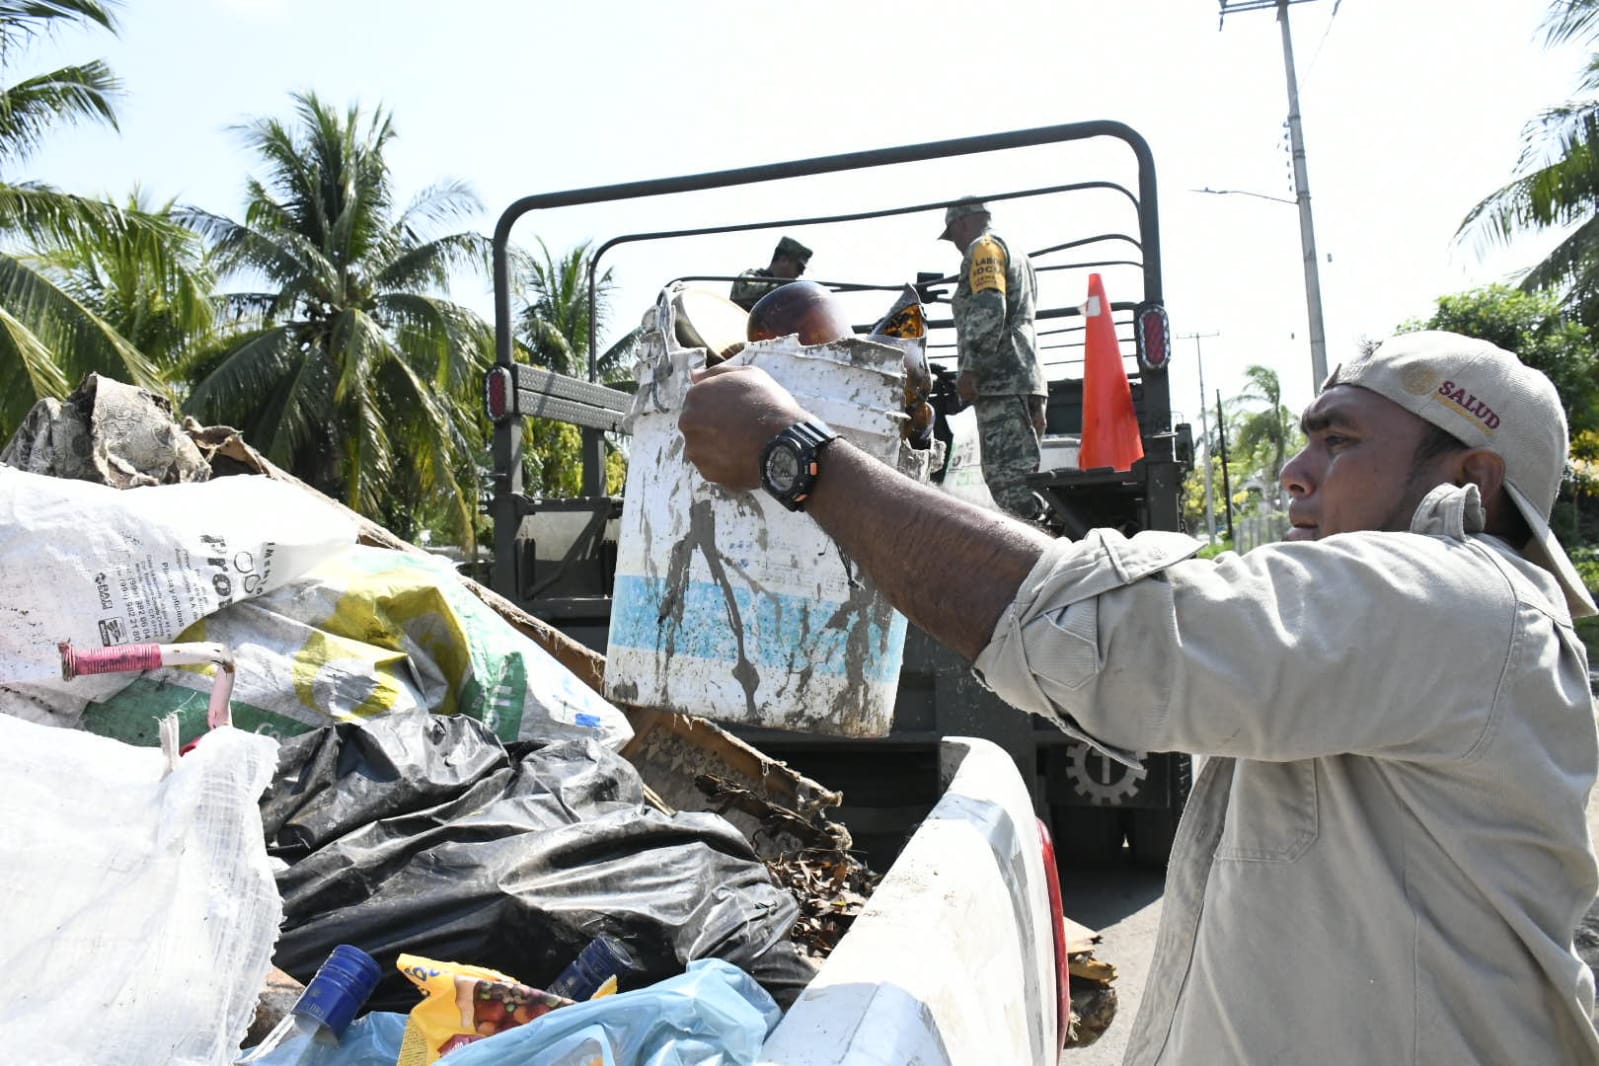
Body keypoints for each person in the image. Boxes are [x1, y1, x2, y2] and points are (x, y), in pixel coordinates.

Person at [676, 329, 1599, 1063]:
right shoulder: (1426, 639)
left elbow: (1101, 638)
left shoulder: (1462, 599)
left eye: (1341, 439)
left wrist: (796, 454)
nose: (1295, 470)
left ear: (1466, 480)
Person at [940, 198, 1049, 520]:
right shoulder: (1015, 251)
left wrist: (972, 368)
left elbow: (990, 309)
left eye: (953, 235)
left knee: (1009, 485)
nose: (956, 245)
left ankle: (1038, 557)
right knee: (1026, 477)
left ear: (962, 223)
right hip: (1025, 374)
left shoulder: (982, 248)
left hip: (1001, 380)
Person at [729, 236, 812, 311]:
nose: (800, 274)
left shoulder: (786, 297)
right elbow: (746, 292)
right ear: (783, 260)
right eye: (800, 268)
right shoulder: (749, 277)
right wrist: (792, 290)